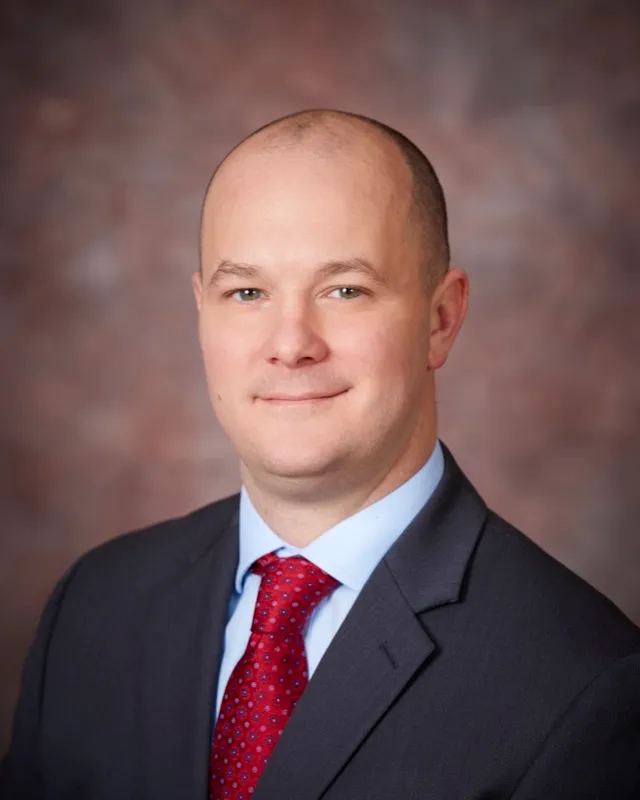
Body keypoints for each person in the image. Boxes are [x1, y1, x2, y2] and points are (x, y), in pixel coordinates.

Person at [2, 109, 639, 800]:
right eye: (247, 292)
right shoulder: (93, 608)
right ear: (200, 310)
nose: (291, 342)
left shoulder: (586, 684)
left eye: (345, 289)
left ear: (440, 318)